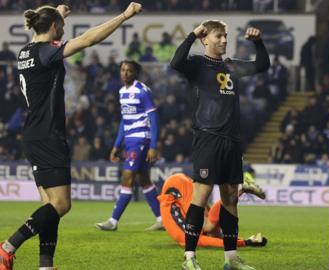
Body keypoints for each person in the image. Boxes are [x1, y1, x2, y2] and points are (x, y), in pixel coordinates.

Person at [0, 3, 142, 270]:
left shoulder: (25, 51)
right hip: (49, 135)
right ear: (53, 28)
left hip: (32, 135)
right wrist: (125, 15)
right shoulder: (48, 53)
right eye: (61, 27)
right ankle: (8, 247)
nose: (63, 32)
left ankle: (45, 265)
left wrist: (56, 13)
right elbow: (89, 39)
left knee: (50, 207)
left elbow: (41, 33)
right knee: (62, 205)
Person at [170, 20, 270, 270]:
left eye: (225, 36)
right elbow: (176, 62)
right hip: (208, 137)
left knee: (230, 201)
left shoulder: (232, 66)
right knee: (200, 197)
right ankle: (189, 258)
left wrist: (258, 42)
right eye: (218, 36)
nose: (224, 40)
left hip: (232, 141)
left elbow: (262, 65)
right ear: (205, 39)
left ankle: (231, 259)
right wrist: (191, 35)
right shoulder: (197, 64)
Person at [95, 60, 163, 232]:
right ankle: (162, 219)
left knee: (127, 178)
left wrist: (153, 146)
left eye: (129, 71)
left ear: (135, 73)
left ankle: (113, 221)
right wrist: (116, 146)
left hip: (141, 139)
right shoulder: (121, 92)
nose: (125, 73)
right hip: (130, 140)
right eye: (123, 70)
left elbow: (154, 119)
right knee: (144, 180)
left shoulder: (142, 91)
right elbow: (124, 121)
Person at [158, 173, 267, 249]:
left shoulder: (188, 236)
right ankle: (240, 189)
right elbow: (217, 238)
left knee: (207, 226)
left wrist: (245, 243)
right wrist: (247, 241)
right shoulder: (192, 233)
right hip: (177, 186)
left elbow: (213, 241)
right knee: (209, 226)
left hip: (175, 186)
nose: (218, 234)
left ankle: (240, 189)